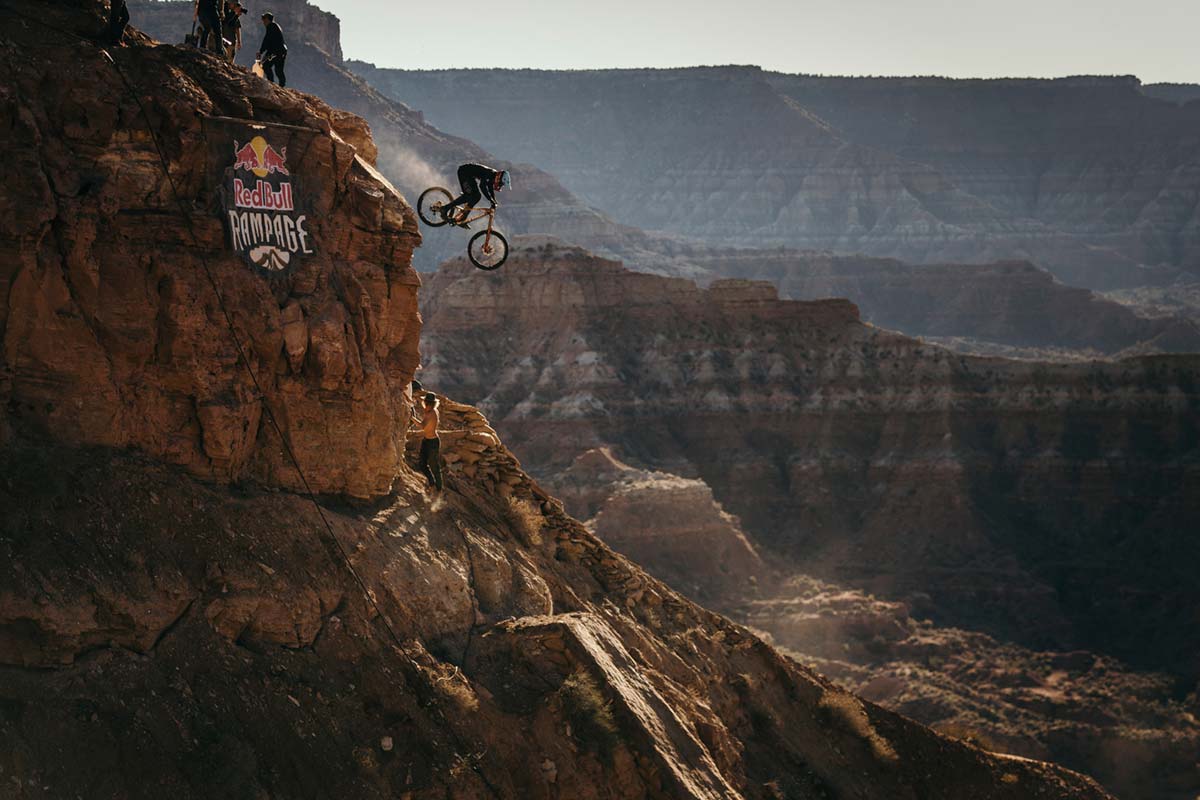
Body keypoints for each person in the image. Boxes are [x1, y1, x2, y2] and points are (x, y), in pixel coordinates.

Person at [440, 163, 511, 229]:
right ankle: (445, 208)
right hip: (464, 172)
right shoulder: (490, 174)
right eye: (501, 184)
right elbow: (482, 187)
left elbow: (490, 189)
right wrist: (491, 200)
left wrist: (494, 201)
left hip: (470, 176)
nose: (500, 186)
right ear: (499, 178)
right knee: (470, 196)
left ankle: (462, 219)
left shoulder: (493, 176)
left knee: (476, 197)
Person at [415, 393, 443, 494]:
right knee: (422, 464)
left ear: (432, 404)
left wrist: (412, 418)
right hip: (426, 441)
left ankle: (439, 489)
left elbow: (422, 426)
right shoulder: (430, 411)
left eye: (428, 404)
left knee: (434, 465)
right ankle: (432, 483)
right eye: (425, 403)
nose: (425, 406)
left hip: (433, 443)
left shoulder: (432, 414)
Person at [257, 12, 287, 87]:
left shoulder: (271, 26)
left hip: (277, 52)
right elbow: (270, 43)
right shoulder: (275, 26)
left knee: (266, 65)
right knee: (278, 70)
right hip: (281, 51)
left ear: (267, 19)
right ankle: (281, 86)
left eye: (264, 19)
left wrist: (261, 52)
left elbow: (267, 41)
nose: (263, 21)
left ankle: (271, 83)